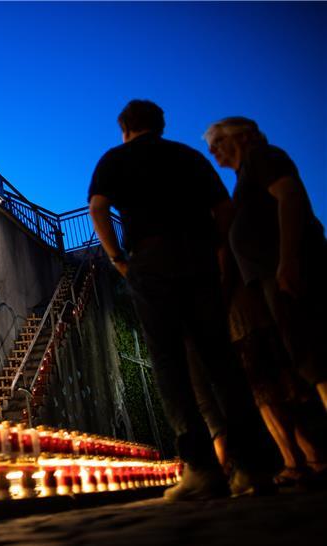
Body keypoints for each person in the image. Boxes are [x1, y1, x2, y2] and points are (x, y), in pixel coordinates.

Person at [88, 99, 271, 500]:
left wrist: (118, 257)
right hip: (199, 260)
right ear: (160, 125)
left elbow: (98, 208)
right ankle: (254, 468)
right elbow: (224, 210)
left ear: (125, 128)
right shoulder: (188, 156)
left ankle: (203, 469)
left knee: (170, 362)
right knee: (220, 359)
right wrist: (217, 250)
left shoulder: (114, 159)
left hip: (150, 260)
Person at [204, 117, 327, 484]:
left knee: (315, 357)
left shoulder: (263, 158)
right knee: (307, 359)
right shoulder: (246, 175)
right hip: (270, 276)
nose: (213, 151)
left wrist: (288, 259)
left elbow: (290, 197)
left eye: (217, 142)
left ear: (242, 136)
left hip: (287, 270)